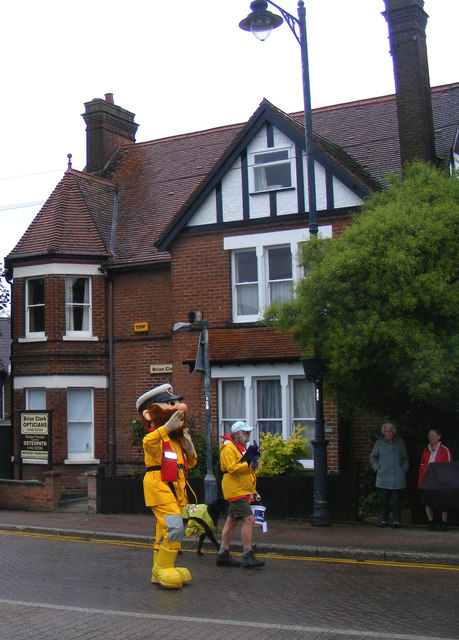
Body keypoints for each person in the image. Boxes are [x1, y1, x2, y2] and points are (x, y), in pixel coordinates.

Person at [136, 383, 197, 589]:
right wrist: (166, 428)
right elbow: (148, 442)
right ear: (149, 414)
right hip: (159, 485)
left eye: (178, 402)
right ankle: (164, 568)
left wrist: (189, 449)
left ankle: (159, 569)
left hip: (176, 487)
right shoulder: (155, 438)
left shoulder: (176, 440)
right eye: (171, 403)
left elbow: (189, 463)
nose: (179, 407)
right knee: (174, 526)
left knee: (166, 528)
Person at [216, 421, 265, 569]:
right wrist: (250, 463)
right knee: (249, 519)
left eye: (249, 432)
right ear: (238, 434)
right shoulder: (228, 448)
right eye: (245, 432)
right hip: (235, 490)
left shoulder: (240, 447)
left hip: (241, 489)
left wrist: (252, 489)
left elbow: (243, 470)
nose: (248, 434)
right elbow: (232, 469)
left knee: (232, 521)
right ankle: (247, 555)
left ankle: (223, 554)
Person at [370, 422, 409, 529]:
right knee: (384, 501)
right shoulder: (379, 443)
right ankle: (384, 520)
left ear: (394, 432)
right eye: (386, 431)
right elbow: (373, 457)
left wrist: (404, 469)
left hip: (397, 476)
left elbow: (405, 458)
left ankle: (397, 520)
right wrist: (377, 467)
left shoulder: (400, 443)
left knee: (397, 501)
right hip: (383, 476)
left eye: (390, 431)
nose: (388, 433)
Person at [418, 428, 453, 531]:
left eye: (434, 435)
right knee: (427, 502)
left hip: (440, 480)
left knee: (442, 501)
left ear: (439, 437)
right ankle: (431, 522)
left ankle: (444, 523)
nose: (431, 437)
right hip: (428, 480)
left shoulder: (444, 450)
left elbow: (449, 466)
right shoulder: (425, 450)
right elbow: (422, 465)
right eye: (430, 435)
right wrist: (420, 480)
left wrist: (446, 480)